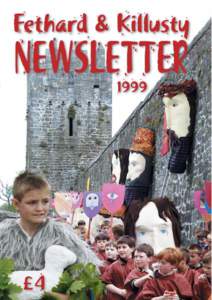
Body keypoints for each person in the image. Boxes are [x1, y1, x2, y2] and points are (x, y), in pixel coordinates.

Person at [0, 171, 100, 271]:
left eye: (45, 201)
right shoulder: (3, 236)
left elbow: (88, 270)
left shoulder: (63, 235)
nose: (40, 208)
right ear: (16, 204)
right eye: (32, 202)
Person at [101, 235, 135, 300]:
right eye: (119, 247)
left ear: (132, 249)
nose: (121, 250)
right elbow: (106, 282)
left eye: (124, 247)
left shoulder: (137, 264)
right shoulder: (113, 266)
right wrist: (120, 291)